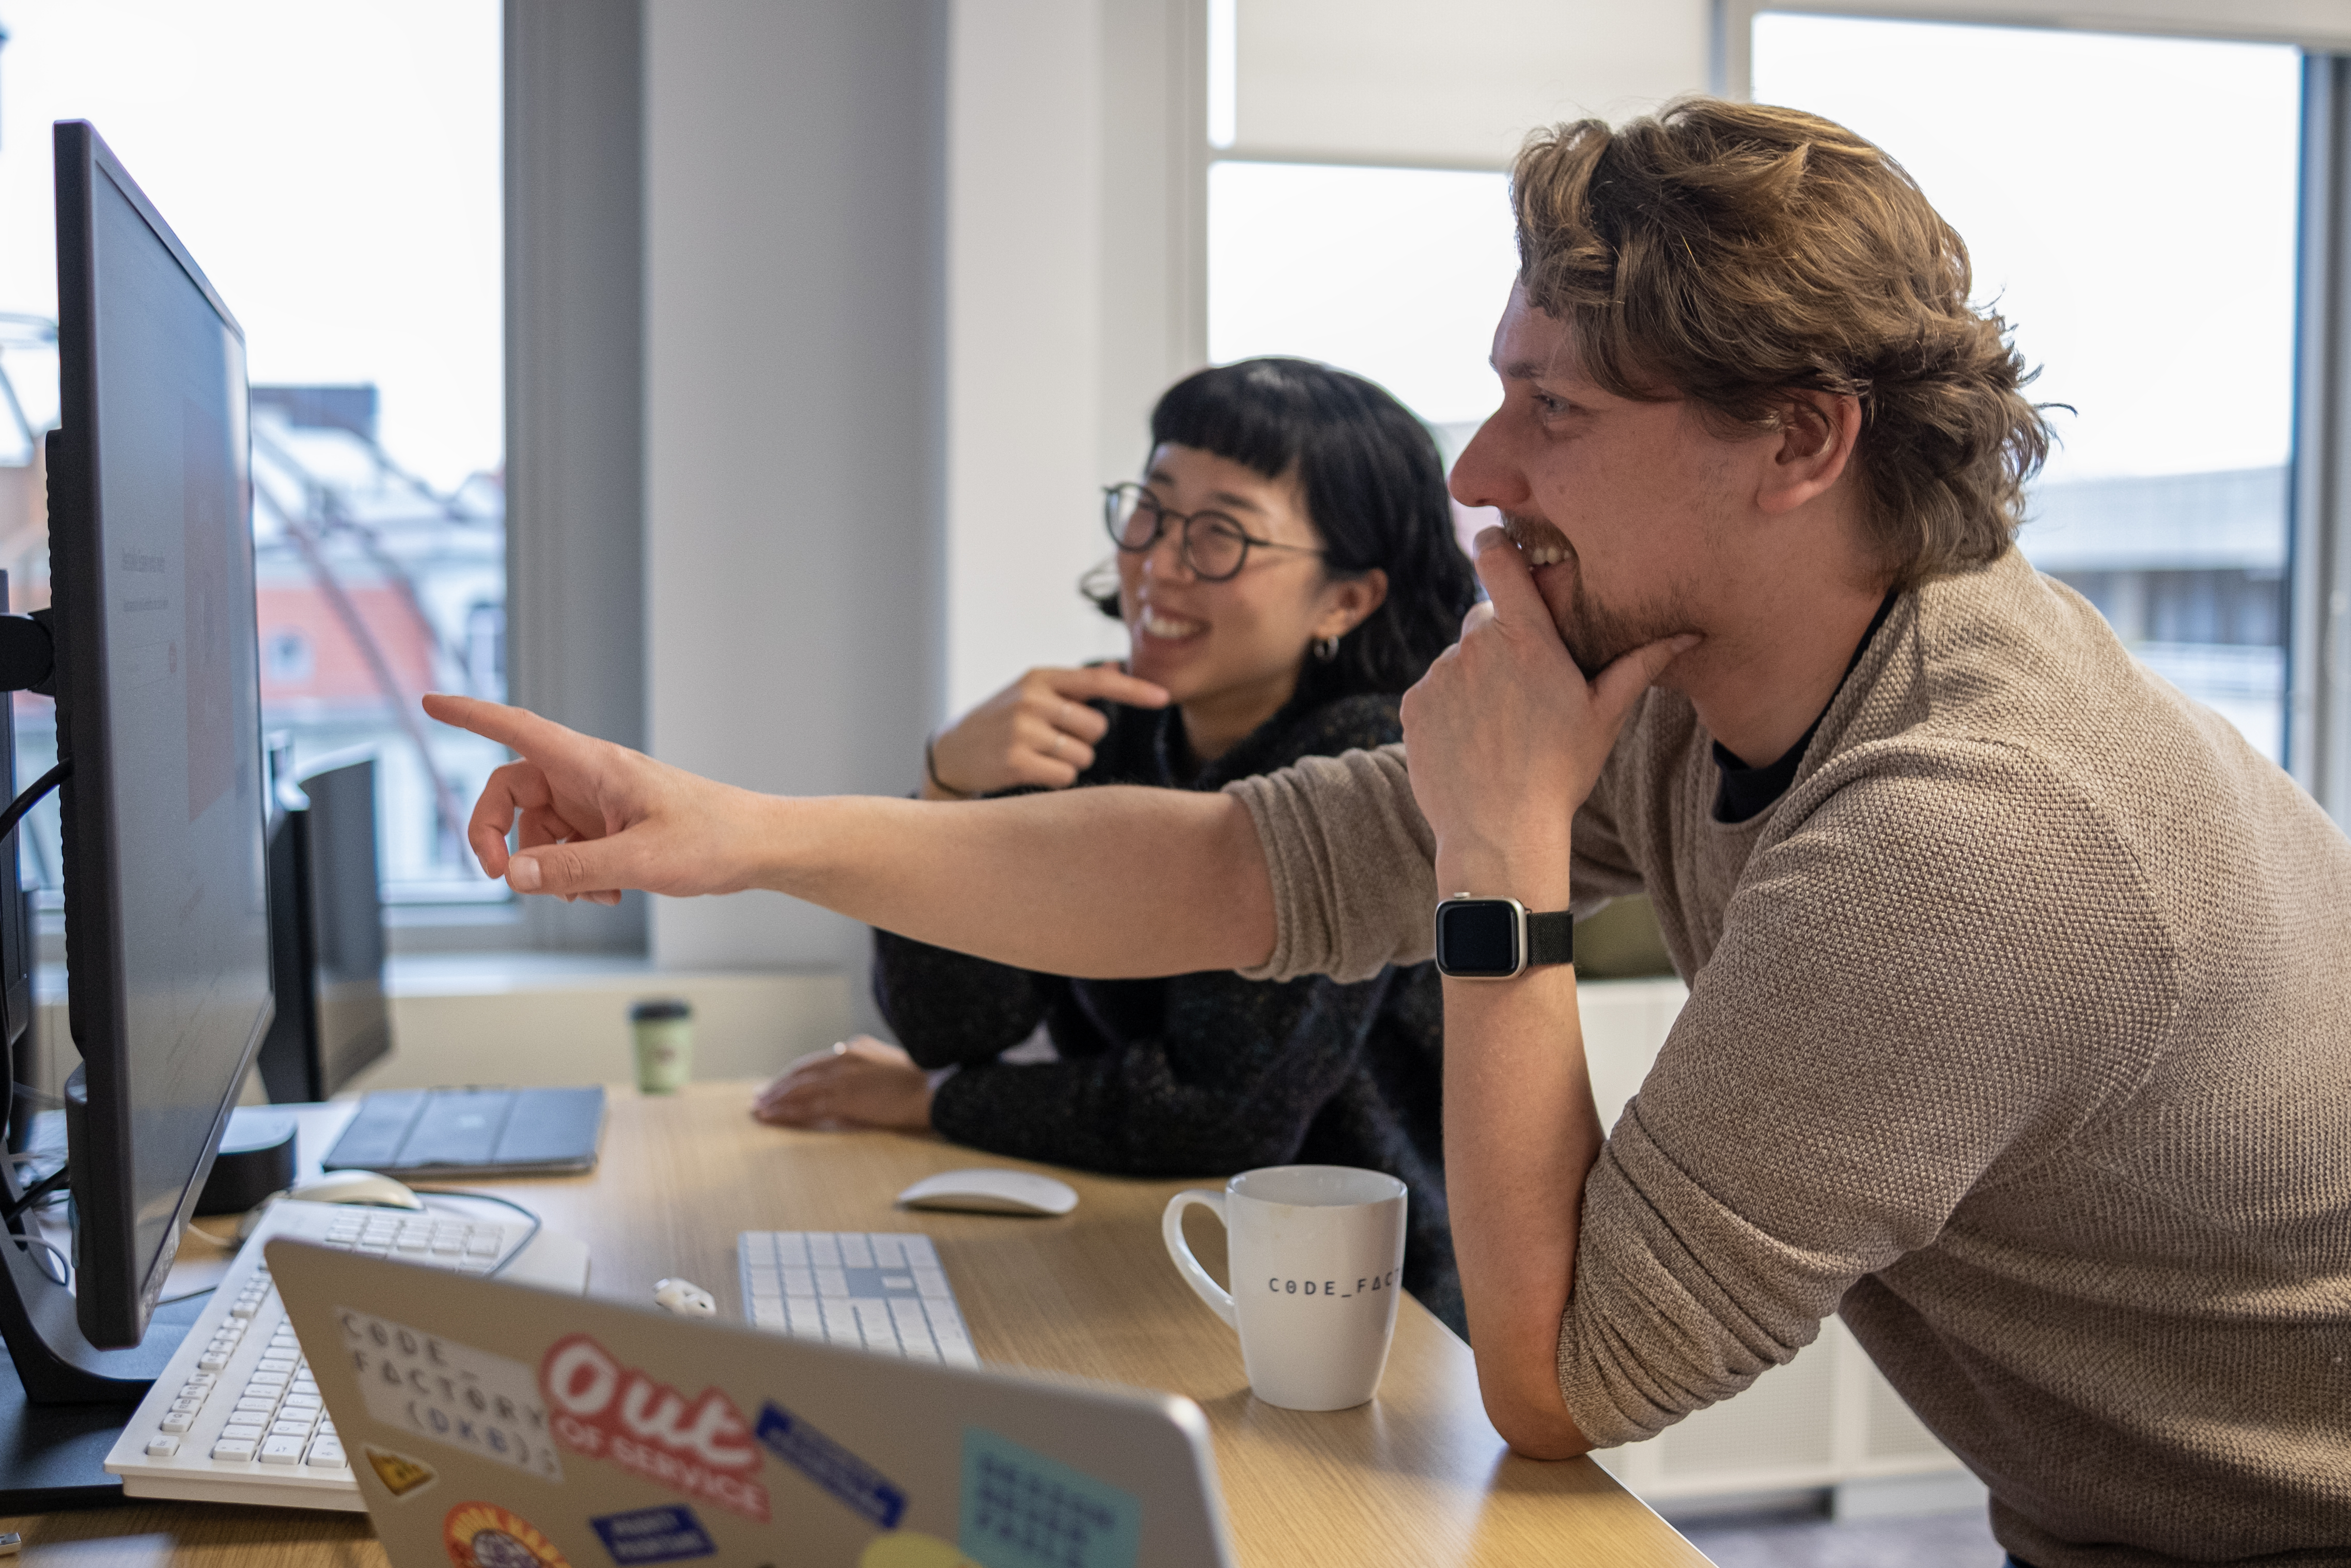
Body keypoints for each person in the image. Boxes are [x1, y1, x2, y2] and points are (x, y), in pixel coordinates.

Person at [425, 97, 2351, 1568]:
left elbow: (1567, 1373)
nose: (1480, 475)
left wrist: (1502, 857)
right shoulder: (1702, 672)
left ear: (1798, 440)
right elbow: (1234, 866)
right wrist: (735, 828)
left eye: (1552, 410)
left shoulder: (1974, 833)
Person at [749, 358, 1479, 1334]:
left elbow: (1220, 1114)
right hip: (1152, 1243)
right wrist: (948, 789)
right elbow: (954, 1026)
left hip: (1363, 1309)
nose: (1161, 564)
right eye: (1151, 511)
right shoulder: (1100, 724)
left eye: (1220, 534)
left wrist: (939, 1102)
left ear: (1344, 601)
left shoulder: (1367, 764)